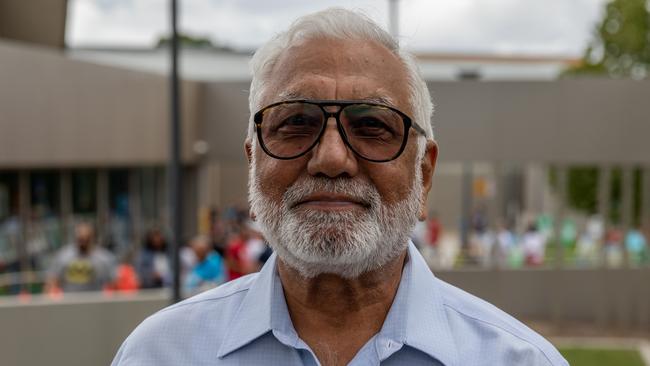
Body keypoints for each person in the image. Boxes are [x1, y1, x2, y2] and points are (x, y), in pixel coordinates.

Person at [113, 8, 567, 366]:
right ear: (254, 162)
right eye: (296, 122)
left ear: (423, 175)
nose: (331, 158)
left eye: (372, 126)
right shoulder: (157, 355)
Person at [46, 222, 116, 292]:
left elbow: (114, 284)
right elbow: (52, 281)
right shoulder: (63, 256)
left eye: (86, 238)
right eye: (81, 239)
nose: (83, 241)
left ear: (93, 237)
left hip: (96, 300)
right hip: (69, 300)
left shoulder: (104, 258)